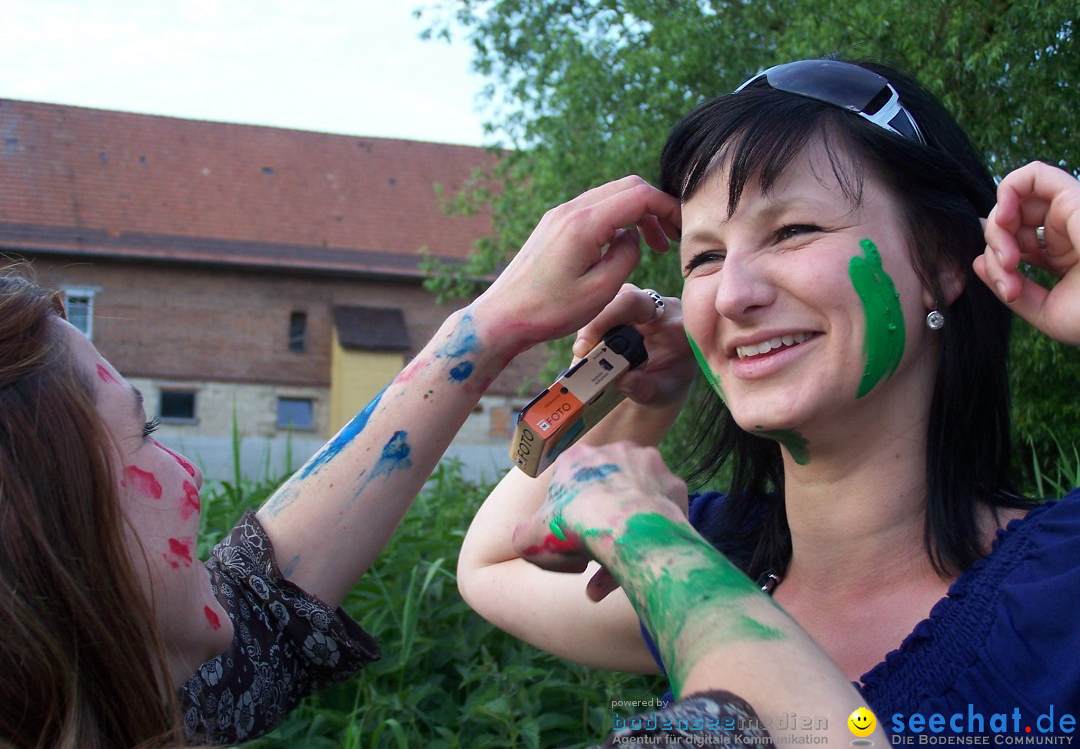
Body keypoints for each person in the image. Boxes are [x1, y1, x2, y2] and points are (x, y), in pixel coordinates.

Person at [460, 58, 1080, 740]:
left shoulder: (1060, 579)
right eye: (704, 259)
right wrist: (629, 386)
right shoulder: (725, 555)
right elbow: (491, 563)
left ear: (939, 263)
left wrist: (649, 541)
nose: (732, 295)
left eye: (792, 232)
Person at [0, 175, 681, 746]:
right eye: (143, 433)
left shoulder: (119, 705)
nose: (193, 477)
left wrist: (495, 326)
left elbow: (266, 607)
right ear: (39, 530)